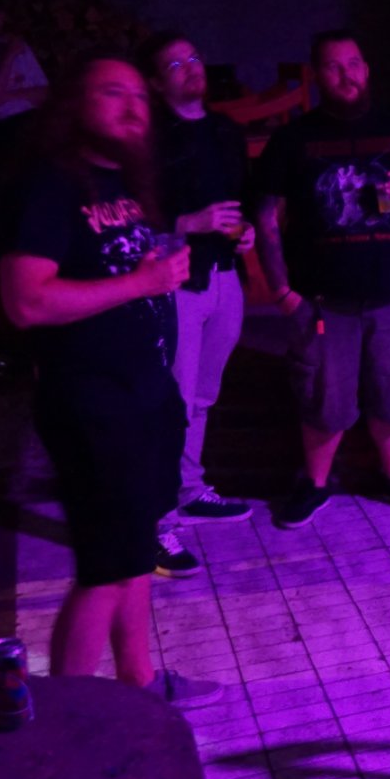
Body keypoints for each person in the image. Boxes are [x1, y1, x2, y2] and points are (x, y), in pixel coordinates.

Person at [0, 55, 220, 707]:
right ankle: (69, 719)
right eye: (112, 93)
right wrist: (142, 282)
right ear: (75, 104)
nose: (132, 108)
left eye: (139, 97)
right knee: (104, 571)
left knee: (134, 554)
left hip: (142, 393)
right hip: (92, 404)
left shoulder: (123, 182)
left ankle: (140, 684)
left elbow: (115, 268)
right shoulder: (50, 184)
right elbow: (26, 301)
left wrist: (152, 268)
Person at [252, 30, 390, 528]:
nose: (347, 75)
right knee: (324, 395)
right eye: (334, 66)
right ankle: (315, 483)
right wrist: (281, 292)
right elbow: (267, 216)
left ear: (367, 69)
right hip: (323, 299)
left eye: (354, 64)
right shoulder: (293, 139)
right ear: (317, 76)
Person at [138, 32, 254, 579]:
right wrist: (191, 222)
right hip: (178, 279)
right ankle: (156, 523)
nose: (191, 68)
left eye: (195, 57)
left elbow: (241, 200)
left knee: (203, 395)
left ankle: (188, 490)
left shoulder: (225, 131)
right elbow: (135, 214)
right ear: (156, 82)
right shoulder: (150, 139)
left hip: (225, 275)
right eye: (175, 64)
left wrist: (244, 232)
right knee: (173, 401)